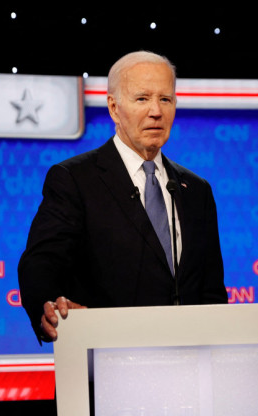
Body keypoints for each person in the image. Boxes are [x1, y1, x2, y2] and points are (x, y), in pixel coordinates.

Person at [17, 51, 227, 345]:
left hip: (191, 366)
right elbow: (40, 263)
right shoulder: (75, 179)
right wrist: (48, 304)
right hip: (107, 361)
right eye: (142, 99)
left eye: (165, 99)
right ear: (114, 108)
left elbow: (212, 292)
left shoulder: (196, 190)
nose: (156, 111)